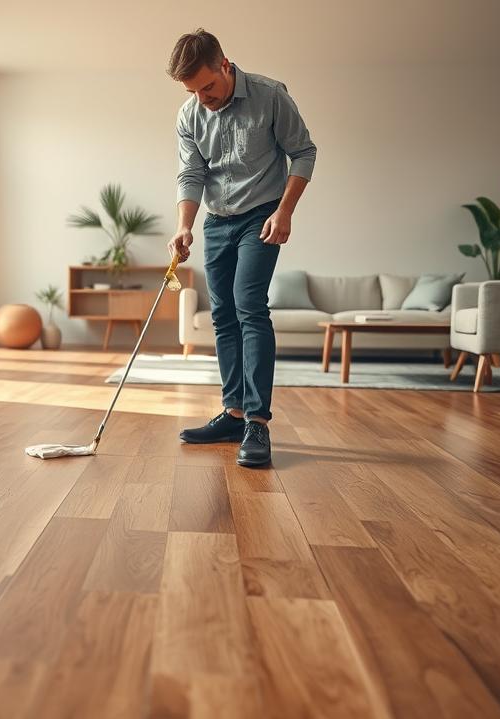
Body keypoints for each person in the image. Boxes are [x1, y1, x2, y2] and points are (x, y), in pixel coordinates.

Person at [167, 29, 316, 468]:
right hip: (216, 221)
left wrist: (285, 211)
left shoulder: (271, 96)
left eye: (208, 86)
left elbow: (303, 153)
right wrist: (184, 226)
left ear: (225, 65)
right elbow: (190, 174)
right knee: (222, 314)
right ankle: (233, 413)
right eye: (193, 91)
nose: (203, 98)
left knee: (249, 304)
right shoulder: (190, 114)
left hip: (261, 216)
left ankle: (257, 421)